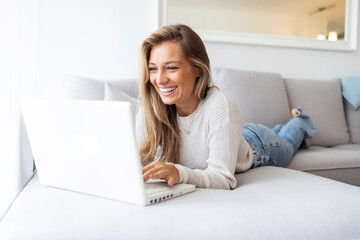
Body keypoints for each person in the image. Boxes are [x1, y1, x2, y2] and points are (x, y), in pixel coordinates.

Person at [136, 24, 316, 190]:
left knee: (289, 142)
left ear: (197, 68)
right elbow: (138, 163)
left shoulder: (220, 103)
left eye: (171, 68)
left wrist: (179, 173)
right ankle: (282, 126)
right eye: (153, 69)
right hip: (232, 132)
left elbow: (224, 178)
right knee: (275, 131)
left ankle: (298, 120)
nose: (159, 79)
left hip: (258, 144)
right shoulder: (150, 107)